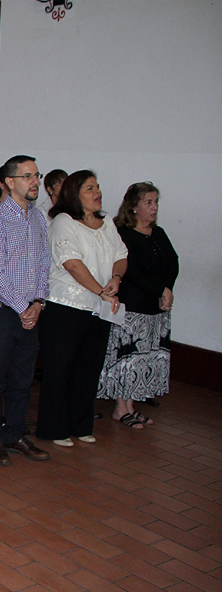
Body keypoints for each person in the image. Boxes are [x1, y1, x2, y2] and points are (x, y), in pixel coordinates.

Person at [37, 170, 128, 447]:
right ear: (75, 195)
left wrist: (115, 279)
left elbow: (121, 255)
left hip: (98, 307)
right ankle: (54, 427)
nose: (97, 192)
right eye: (90, 188)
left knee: (88, 367)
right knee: (60, 367)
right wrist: (101, 290)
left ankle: (80, 424)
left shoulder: (106, 222)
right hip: (66, 306)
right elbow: (72, 264)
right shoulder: (63, 222)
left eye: (97, 187)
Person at [0, 155, 51, 466]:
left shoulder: (38, 218)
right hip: (0, 312)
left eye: (37, 175)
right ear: (10, 182)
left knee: (22, 378)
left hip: (29, 312)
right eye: (27, 176)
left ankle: (16, 434)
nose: (35, 182)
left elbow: (44, 265)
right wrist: (24, 308)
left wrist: (38, 302)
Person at [97, 182, 178, 427]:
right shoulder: (123, 233)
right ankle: (120, 409)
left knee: (146, 358)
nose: (154, 208)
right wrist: (159, 289)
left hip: (156, 307)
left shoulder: (159, 233)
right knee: (129, 358)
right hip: (133, 307)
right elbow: (130, 270)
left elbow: (172, 263)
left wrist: (168, 291)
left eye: (156, 202)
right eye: (148, 202)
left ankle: (131, 404)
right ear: (133, 207)